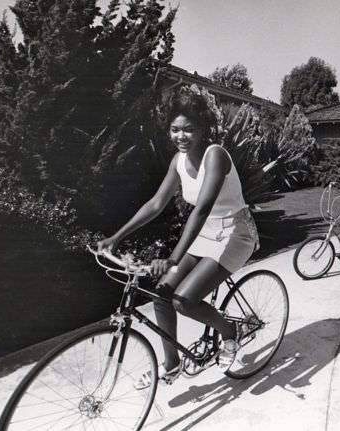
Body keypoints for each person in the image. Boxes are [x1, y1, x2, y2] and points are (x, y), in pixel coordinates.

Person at [97, 86, 259, 389]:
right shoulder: (178, 162)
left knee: (184, 300)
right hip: (206, 232)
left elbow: (201, 211)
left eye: (188, 129)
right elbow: (156, 204)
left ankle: (229, 333)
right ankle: (170, 366)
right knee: (161, 294)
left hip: (235, 233)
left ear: (202, 129)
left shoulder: (216, 156)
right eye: (174, 129)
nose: (180, 136)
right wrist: (116, 237)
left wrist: (172, 258)